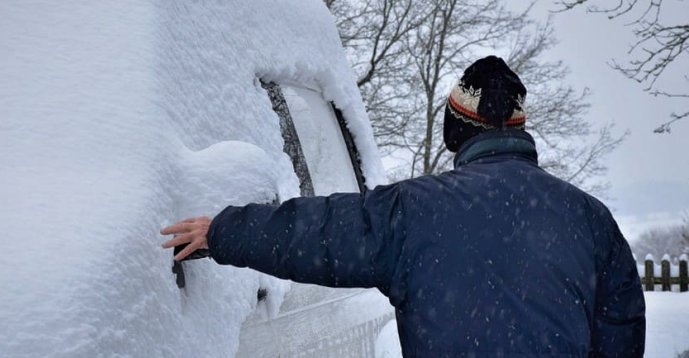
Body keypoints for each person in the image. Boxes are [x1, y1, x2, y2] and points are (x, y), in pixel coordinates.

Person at [161, 56, 646, 357]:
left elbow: (318, 232)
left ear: (457, 130)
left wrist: (223, 231)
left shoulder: (414, 211)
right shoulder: (589, 218)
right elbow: (621, 335)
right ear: (518, 130)